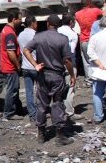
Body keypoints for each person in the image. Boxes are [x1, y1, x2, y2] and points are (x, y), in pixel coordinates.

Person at [22, 14, 76, 145]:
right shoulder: (63, 39)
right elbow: (67, 60)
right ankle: (60, 136)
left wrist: (35, 64)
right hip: (57, 75)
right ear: (58, 25)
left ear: (47, 23)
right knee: (57, 103)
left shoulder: (39, 36)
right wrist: (72, 75)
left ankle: (41, 134)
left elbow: (25, 50)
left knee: (41, 104)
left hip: (42, 75)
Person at [0, 12, 23, 120]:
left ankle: (17, 109)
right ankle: (9, 113)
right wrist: (18, 65)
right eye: (19, 19)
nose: (21, 21)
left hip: (7, 65)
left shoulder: (6, 29)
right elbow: (10, 52)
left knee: (14, 89)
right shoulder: (10, 33)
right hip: (10, 66)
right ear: (14, 19)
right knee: (12, 90)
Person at [74, 0, 102, 81]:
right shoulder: (95, 11)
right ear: (90, 3)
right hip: (95, 39)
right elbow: (103, 13)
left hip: (84, 39)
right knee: (97, 58)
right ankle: (98, 76)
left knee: (86, 61)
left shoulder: (77, 14)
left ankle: (89, 79)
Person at [57, 14, 79, 119]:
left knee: (59, 87)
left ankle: (59, 110)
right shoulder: (73, 34)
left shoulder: (57, 31)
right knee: (70, 87)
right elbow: (71, 51)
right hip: (68, 63)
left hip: (56, 62)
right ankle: (69, 111)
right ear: (71, 22)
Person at [18, 16, 38, 122]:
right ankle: (41, 112)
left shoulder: (20, 35)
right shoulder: (35, 35)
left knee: (29, 92)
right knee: (40, 91)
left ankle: (32, 114)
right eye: (36, 23)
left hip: (25, 67)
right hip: (35, 66)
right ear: (33, 23)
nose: (37, 25)